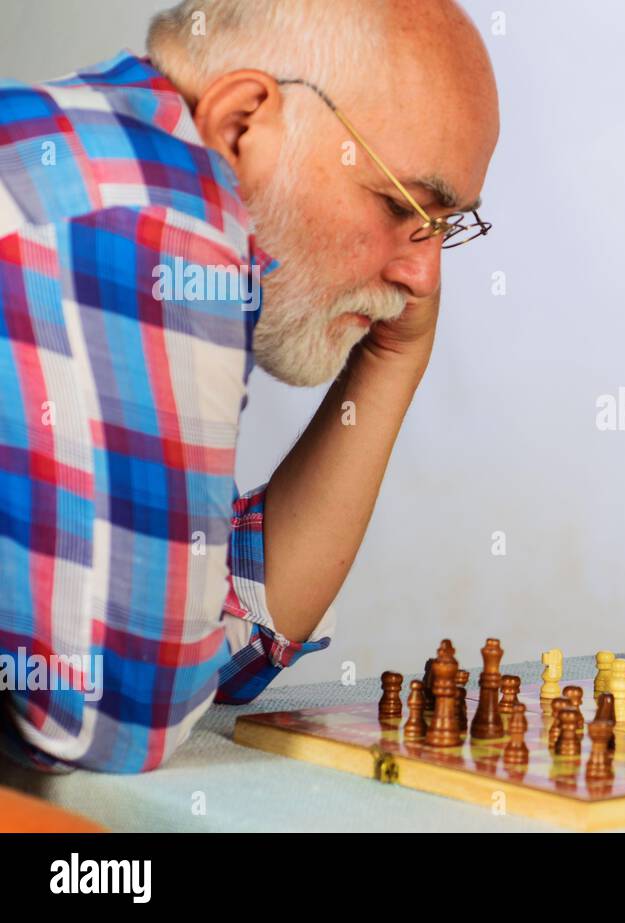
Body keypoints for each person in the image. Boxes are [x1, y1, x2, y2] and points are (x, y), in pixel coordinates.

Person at [0, 0, 498, 772]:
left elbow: (212, 644)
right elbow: (119, 718)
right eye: (402, 207)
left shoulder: (98, 156)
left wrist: (393, 360)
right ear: (243, 124)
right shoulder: (153, 214)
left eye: (444, 226)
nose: (423, 274)